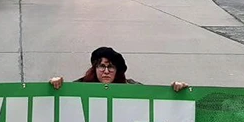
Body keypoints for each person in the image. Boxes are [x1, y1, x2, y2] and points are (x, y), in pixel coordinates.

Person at [49, 46, 188, 91]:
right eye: (102, 66)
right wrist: (55, 84)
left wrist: (175, 90)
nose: (106, 71)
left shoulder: (131, 87)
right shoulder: (81, 86)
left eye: (111, 67)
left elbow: (155, 99)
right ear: (95, 68)